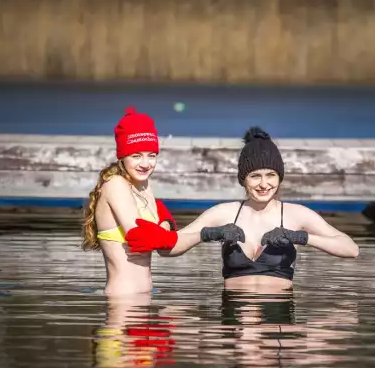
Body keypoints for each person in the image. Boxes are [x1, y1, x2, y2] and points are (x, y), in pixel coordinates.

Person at [125, 126, 360, 291]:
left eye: (271, 175)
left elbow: (351, 249)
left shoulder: (296, 214)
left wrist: (301, 237)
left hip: (278, 324)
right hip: (233, 322)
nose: (264, 184)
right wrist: (208, 234)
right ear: (242, 179)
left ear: (280, 177)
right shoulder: (224, 213)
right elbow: (169, 249)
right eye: (255, 176)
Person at [81, 107, 177, 296]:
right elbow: (142, 237)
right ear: (122, 157)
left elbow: (162, 230)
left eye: (152, 155)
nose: (145, 163)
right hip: (122, 305)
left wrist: (165, 225)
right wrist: (201, 233)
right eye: (136, 155)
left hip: (143, 299)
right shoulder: (115, 184)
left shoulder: (142, 185)